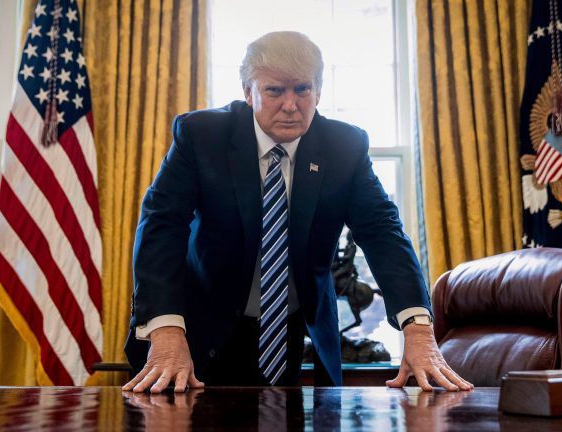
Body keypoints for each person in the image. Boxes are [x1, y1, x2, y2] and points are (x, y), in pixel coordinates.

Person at [123, 31, 473, 393]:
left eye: (302, 90)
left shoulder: (344, 147)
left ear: (318, 92)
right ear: (248, 92)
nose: (290, 104)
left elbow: (383, 232)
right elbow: (161, 226)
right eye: (275, 91)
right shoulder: (201, 135)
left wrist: (417, 327)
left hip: (287, 333)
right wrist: (165, 330)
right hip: (196, 331)